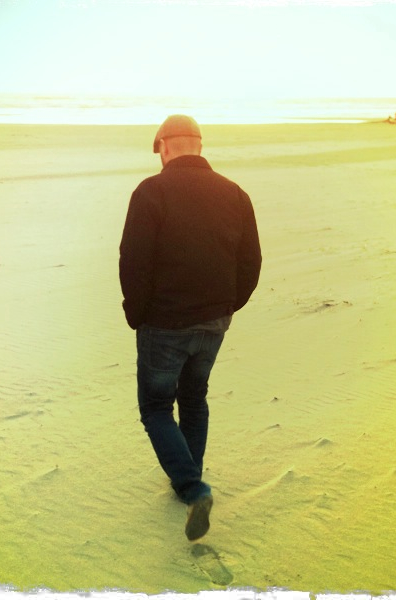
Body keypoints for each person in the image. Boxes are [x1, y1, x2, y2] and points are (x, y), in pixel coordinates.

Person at [119, 115, 262, 541]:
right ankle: (190, 473)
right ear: (199, 146)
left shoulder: (151, 191)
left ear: (163, 146)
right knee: (194, 398)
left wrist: (136, 314)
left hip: (164, 323)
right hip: (213, 323)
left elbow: (133, 261)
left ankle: (193, 488)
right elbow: (251, 262)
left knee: (156, 408)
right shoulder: (235, 193)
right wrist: (227, 306)